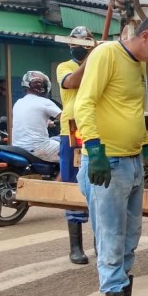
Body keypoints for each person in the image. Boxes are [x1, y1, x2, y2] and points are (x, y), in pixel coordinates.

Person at [75, 15, 148, 296]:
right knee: (111, 242)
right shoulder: (106, 55)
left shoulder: (139, 65)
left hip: (130, 163)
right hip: (108, 163)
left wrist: (146, 146)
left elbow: (132, 111)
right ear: (146, 36)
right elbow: (84, 102)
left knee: (130, 239)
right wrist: (93, 147)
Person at [55, 26, 94, 266]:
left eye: (85, 42)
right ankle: (76, 246)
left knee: (99, 186)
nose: (80, 46)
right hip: (71, 131)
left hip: (96, 128)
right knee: (71, 185)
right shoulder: (65, 67)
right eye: (76, 42)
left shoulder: (98, 63)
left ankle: (101, 242)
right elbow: (72, 82)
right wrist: (92, 59)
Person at [12, 71, 61, 163]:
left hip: (18, 147)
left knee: (55, 139)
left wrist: (48, 123)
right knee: (71, 152)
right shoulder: (44, 102)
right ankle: (60, 178)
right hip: (38, 147)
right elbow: (66, 119)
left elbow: (31, 120)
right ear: (43, 87)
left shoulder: (18, 102)